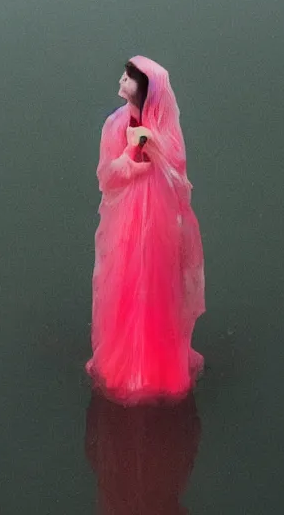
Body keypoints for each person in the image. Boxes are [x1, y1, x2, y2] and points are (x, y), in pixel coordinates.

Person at [85, 56, 205, 404]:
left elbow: (177, 170)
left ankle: (157, 369)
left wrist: (150, 142)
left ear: (147, 88)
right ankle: (123, 365)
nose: (122, 81)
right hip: (126, 218)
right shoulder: (114, 125)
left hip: (159, 222)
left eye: (129, 78)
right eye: (124, 75)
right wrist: (129, 158)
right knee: (124, 280)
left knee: (155, 282)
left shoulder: (164, 128)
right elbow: (106, 176)